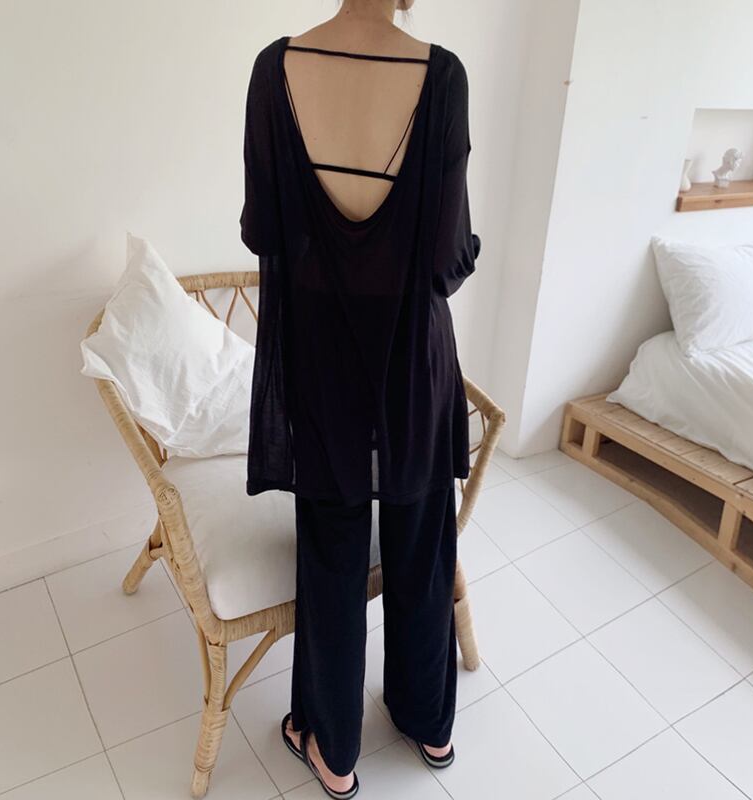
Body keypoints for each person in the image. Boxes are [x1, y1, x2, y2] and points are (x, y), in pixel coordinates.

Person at [240, 1, 480, 796]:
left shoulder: (276, 69)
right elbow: (445, 259)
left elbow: (263, 229)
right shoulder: (443, 76)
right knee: (421, 544)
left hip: (321, 358)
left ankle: (333, 750)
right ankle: (428, 724)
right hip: (413, 359)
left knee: (333, 553)